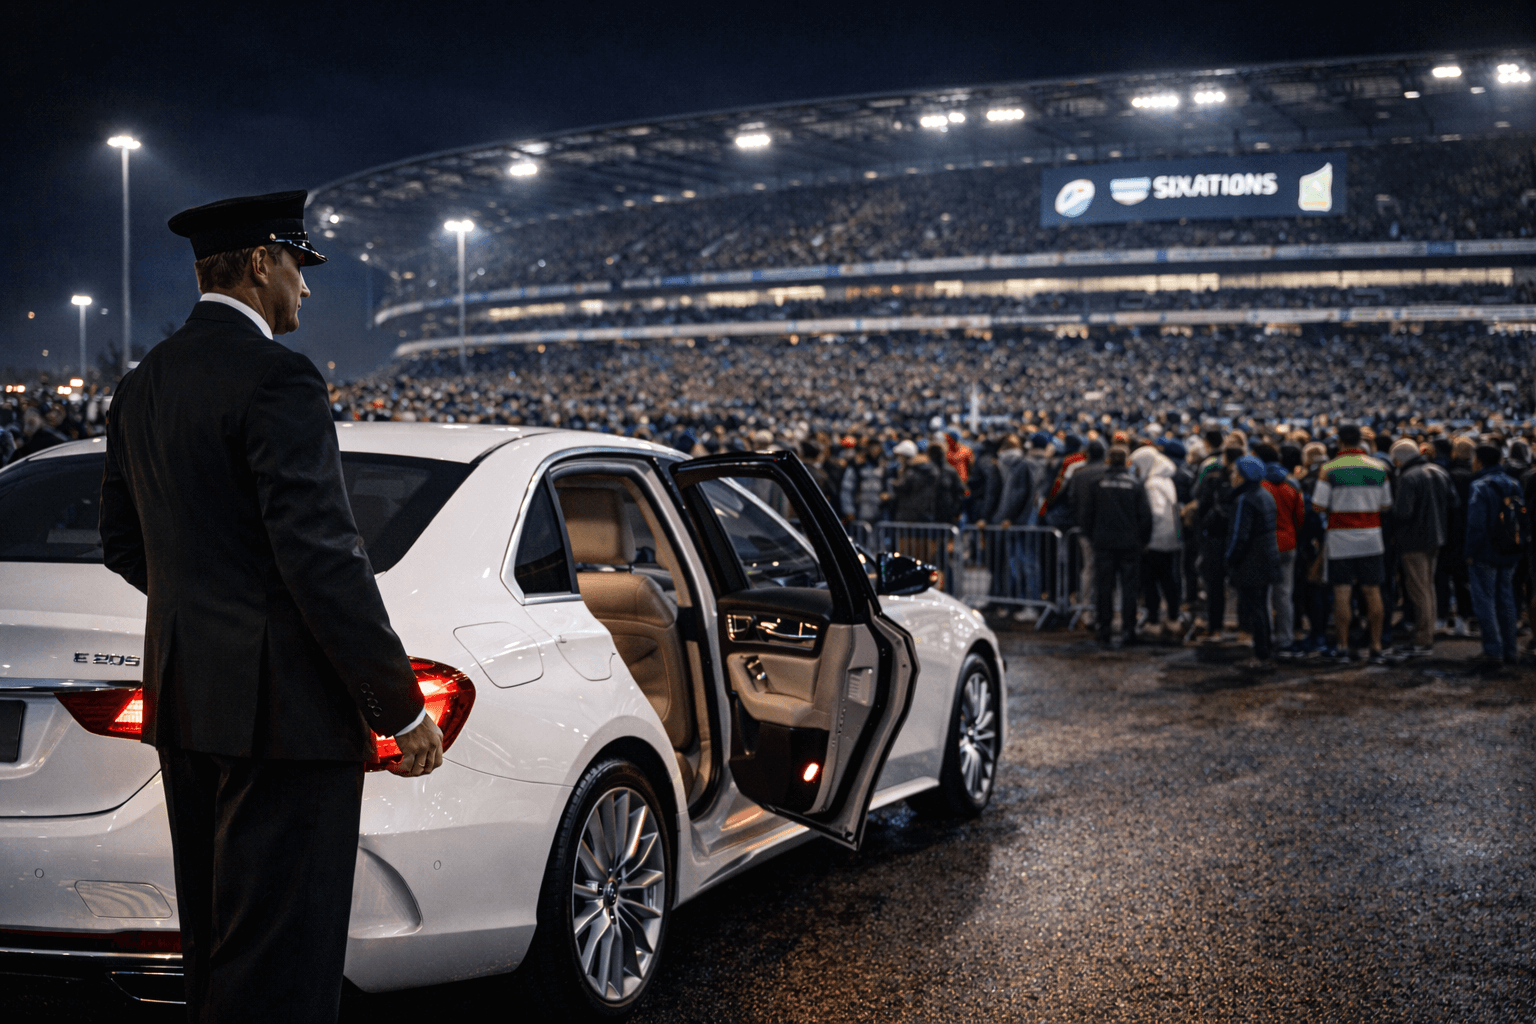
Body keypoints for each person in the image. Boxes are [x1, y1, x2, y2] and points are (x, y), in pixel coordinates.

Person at [98, 191, 443, 1023]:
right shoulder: (280, 377)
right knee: (284, 965)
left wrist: (216, 616)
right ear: (261, 263)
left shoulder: (141, 387)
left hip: (188, 706)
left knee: (218, 947)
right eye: (298, 264)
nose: (306, 287)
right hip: (283, 719)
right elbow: (323, 560)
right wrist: (399, 711)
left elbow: (123, 545)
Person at [1312, 423, 1394, 665]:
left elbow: (1318, 505)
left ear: (1339, 442)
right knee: (1373, 591)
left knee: (1342, 593)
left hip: (1341, 539)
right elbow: (1386, 504)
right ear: (1360, 441)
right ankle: (1376, 646)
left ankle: (1343, 646)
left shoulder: (1329, 469)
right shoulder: (1379, 468)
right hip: (1371, 537)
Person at [1389, 437, 1456, 656]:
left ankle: (1422, 638)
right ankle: (1427, 632)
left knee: (1418, 590)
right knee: (1428, 587)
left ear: (1400, 459)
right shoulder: (1438, 470)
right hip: (1436, 537)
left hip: (1414, 540)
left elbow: (1403, 513)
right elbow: (1453, 502)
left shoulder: (1408, 477)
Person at [1080, 444, 1152, 648]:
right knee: (1129, 590)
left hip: (1104, 544)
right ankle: (1128, 630)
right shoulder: (1135, 484)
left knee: (1104, 589)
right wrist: (1142, 540)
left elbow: (1087, 514)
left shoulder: (1097, 483)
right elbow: (1145, 517)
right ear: (1127, 462)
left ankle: (1104, 629)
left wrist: (1091, 536)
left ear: (1108, 461)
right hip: (1130, 544)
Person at [1464, 443, 1526, 669]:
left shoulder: (1479, 486)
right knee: (1506, 599)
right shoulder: (1514, 483)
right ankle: (1511, 649)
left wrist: (1469, 552)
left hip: (1485, 551)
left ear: (1479, 461)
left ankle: (1493, 650)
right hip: (1509, 549)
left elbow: (1476, 524)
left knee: (1485, 601)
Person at [1227, 455, 1280, 666]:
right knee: (1261, 608)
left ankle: (1261, 654)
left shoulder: (1245, 499)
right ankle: (1264, 651)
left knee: (1255, 609)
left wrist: (1230, 558)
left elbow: (1240, 534)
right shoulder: (1265, 495)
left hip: (1251, 563)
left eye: (1234, 472)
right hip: (1267, 557)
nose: (1232, 476)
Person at [1256, 443, 1305, 657]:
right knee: (1284, 595)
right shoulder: (1292, 484)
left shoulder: (1259, 485)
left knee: (1264, 595)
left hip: (1266, 545)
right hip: (1289, 543)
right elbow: (1300, 517)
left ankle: (1265, 638)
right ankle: (1285, 638)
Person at [1130, 445, 1182, 642]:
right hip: (1170, 540)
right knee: (1169, 581)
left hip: (1156, 541)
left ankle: (1153, 621)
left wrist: (1145, 537)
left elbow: (1156, 513)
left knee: (1151, 582)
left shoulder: (1152, 484)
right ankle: (1173, 617)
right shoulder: (1166, 480)